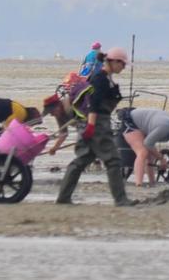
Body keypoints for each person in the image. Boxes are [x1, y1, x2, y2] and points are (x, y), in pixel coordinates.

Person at [55, 47, 135, 206]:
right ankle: (120, 199)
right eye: (122, 64)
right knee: (113, 160)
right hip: (97, 124)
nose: (123, 67)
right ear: (112, 62)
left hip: (93, 123)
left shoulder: (106, 79)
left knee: (82, 160)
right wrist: (91, 126)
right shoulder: (100, 79)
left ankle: (63, 198)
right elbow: (94, 104)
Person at [121, 108, 169, 186]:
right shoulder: (165, 127)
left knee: (151, 155)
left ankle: (152, 183)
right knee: (143, 152)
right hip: (131, 121)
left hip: (146, 125)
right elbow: (148, 143)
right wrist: (161, 159)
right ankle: (138, 184)